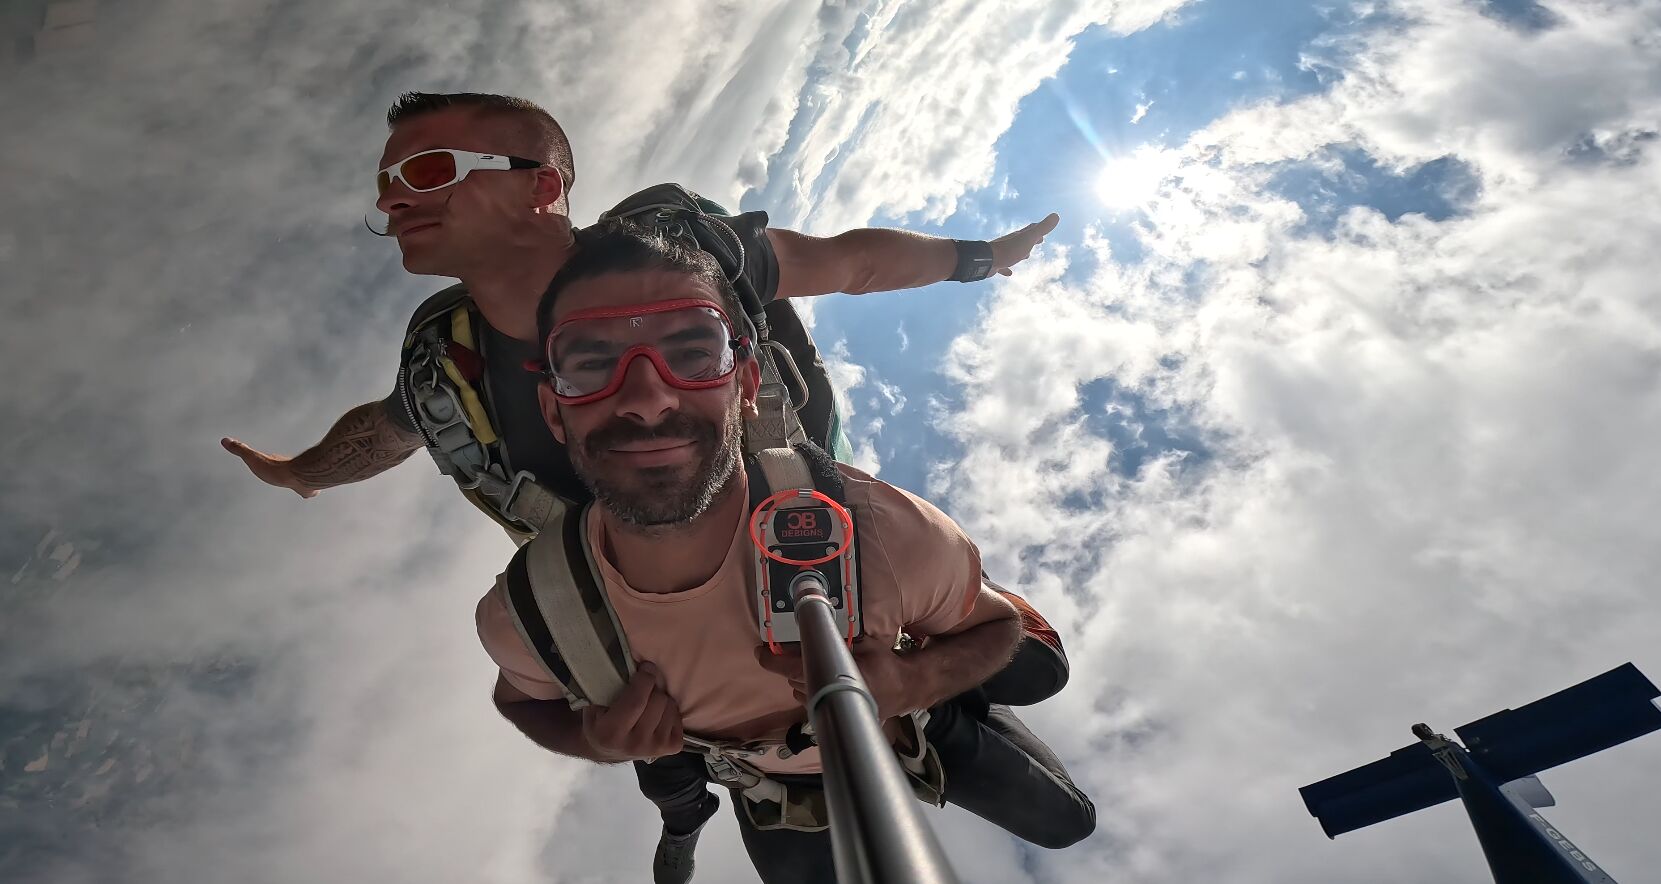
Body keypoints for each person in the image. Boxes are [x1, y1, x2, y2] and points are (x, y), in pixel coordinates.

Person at [477, 224, 1095, 883]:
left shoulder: (875, 532)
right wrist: (595, 741)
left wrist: (914, 682)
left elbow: (998, 627)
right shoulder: (533, 612)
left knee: (1065, 821)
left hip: (913, 721)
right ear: (553, 409)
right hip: (769, 786)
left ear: (745, 385)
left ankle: (953, 623)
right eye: (592, 363)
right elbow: (521, 701)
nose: (648, 398)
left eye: (693, 353)